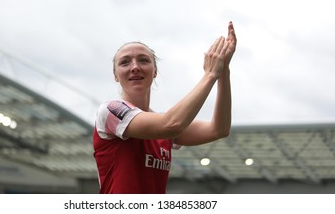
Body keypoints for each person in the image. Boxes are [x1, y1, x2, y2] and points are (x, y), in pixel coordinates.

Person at [93, 21, 237, 194]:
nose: (135, 67)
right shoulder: (110, 111)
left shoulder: (162, 123)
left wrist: (223, 72)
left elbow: (218, 129)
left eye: (143, 60)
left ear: (155, 71)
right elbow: (171, 124)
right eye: (125, 63)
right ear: (116, 76)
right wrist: (210, 75)